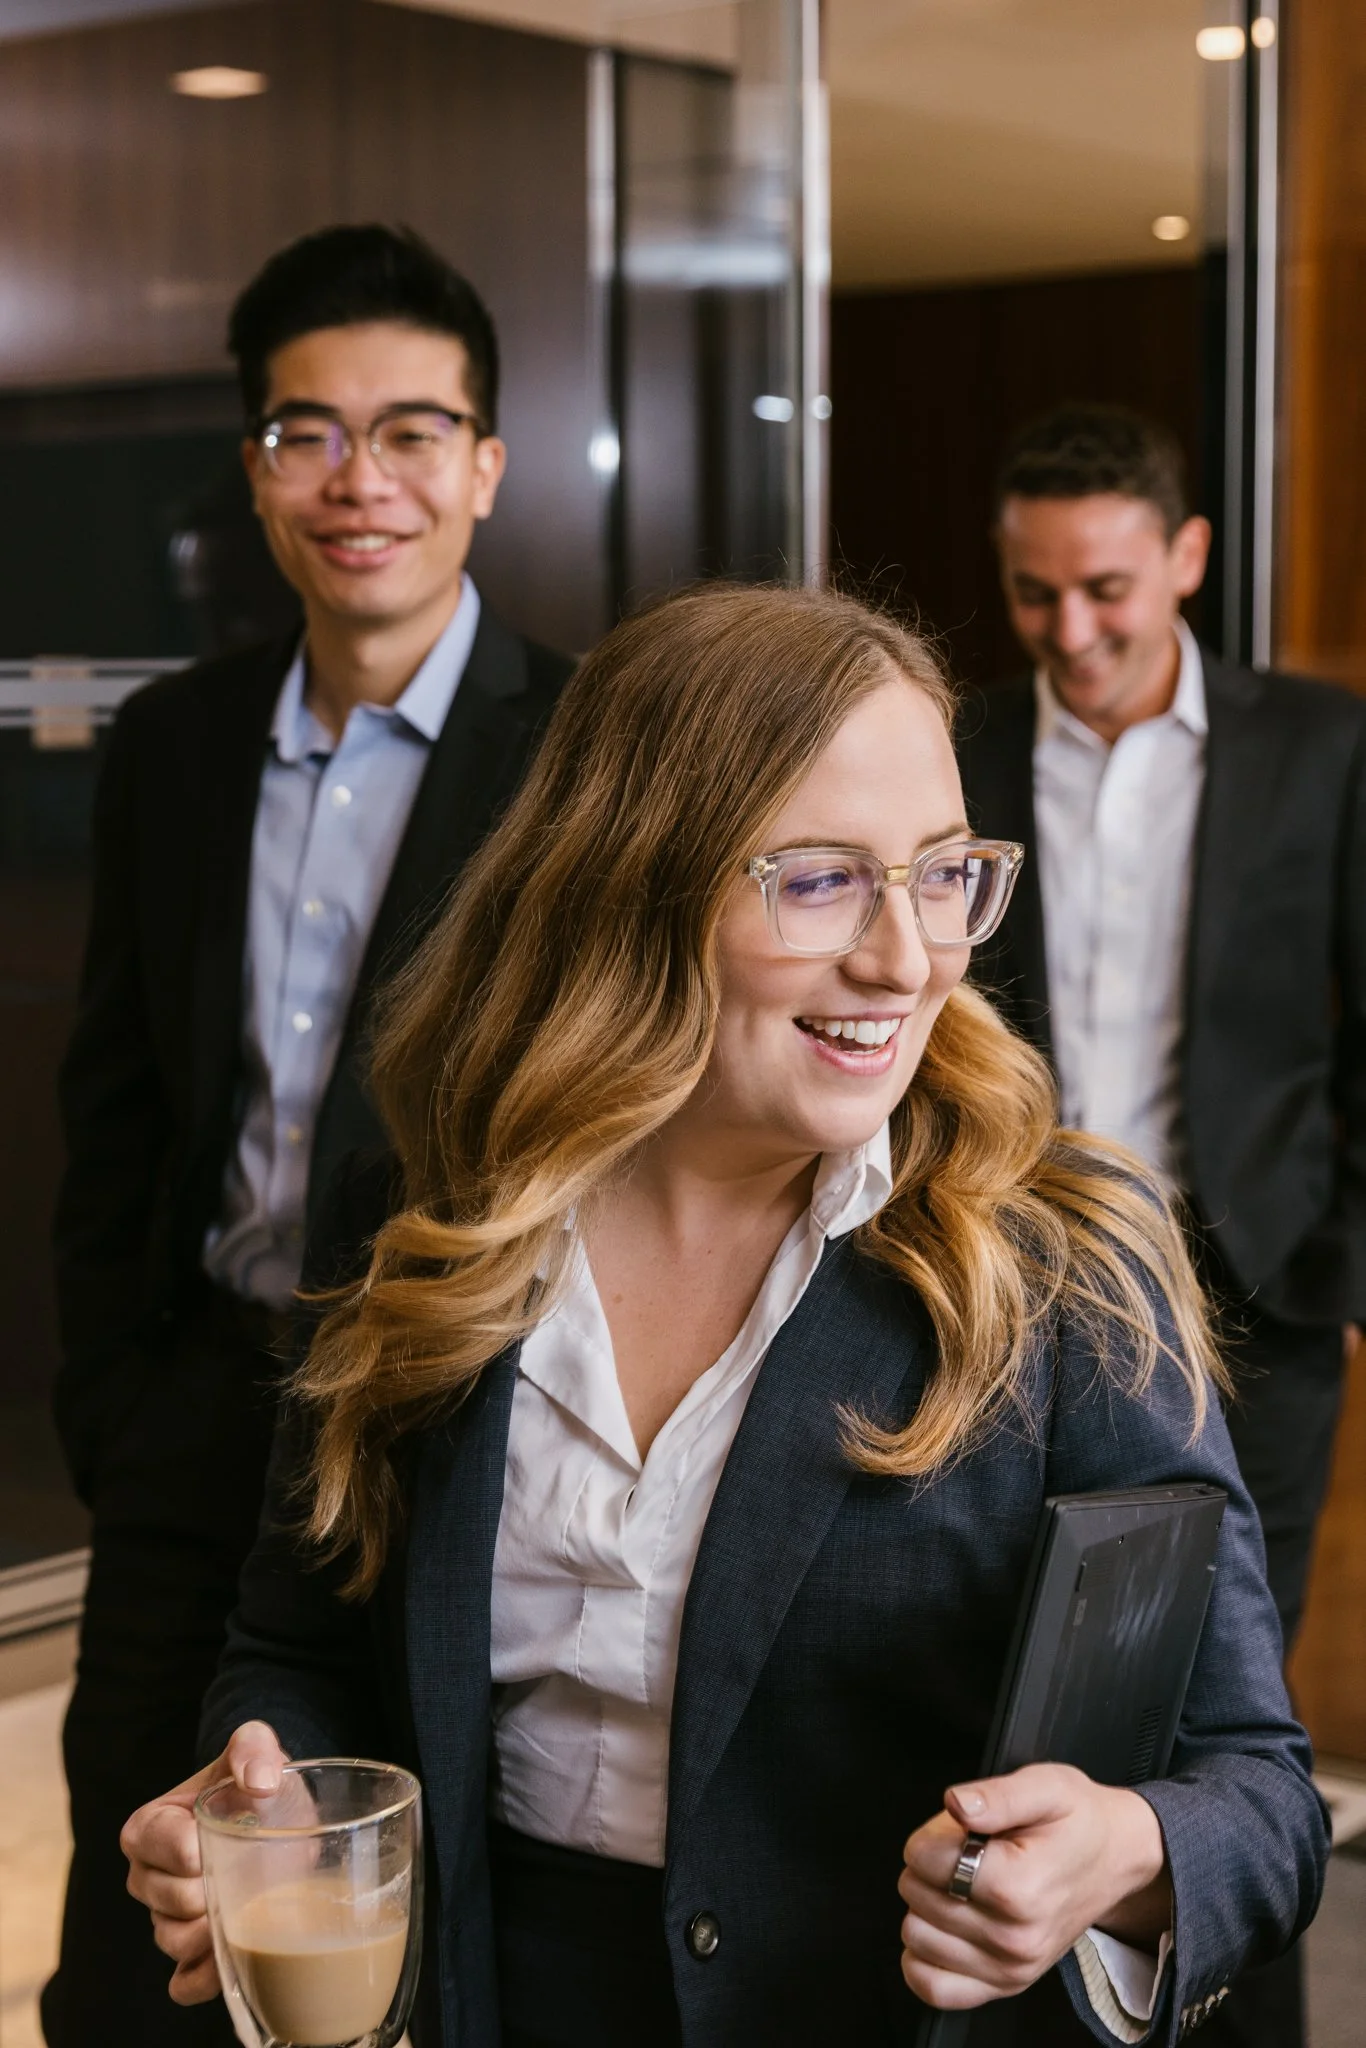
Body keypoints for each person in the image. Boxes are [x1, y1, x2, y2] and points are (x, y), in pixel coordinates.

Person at [123, 583, 1325, 2048]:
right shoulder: (422, 1219)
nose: (906, 959)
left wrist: (1123, 1856)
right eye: (820, 879)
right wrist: (274, 1797)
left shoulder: (1065, 1265)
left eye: (944, 873)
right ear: (629, 882)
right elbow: (299, 1651)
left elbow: (1257, 1797)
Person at [47, 224, 575, 2048]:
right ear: (257, 467)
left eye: (414, 432)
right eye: (309, 434)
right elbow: (113, 1108)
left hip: (430, 1406)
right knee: (133, 1907)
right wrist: (107, 1403)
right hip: (191, 1410)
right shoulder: (177, 744)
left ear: (486, 467)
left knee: (380, 1916)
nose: (363, 483)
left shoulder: (581, 747)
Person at [955, 401, 1366, 2048]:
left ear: (1185, 558)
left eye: (1108, 587)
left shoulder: (1317, 746)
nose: (1074, 630)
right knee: (1027, 1681)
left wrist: (1341, 1258)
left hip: (1252, 1295)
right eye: (1036, 592)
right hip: (1005, 1293)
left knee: (1228, 1724)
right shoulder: (961, 746)